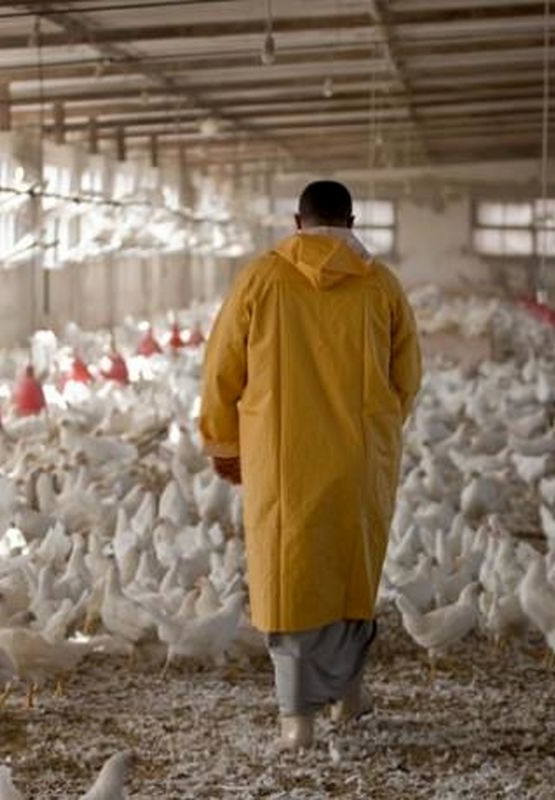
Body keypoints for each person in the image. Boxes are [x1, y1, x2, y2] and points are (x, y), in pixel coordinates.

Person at [199, 180, 422, 749]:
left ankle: (295, 718)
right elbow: (406, 377)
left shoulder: (262, 277)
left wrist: (224, 444)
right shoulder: (380, 284)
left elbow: (222, 368)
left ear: (298, 222)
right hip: (358, 457)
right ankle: (348, 696)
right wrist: (377, 432)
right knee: (351, 569)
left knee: (290, 573)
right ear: (352, 221)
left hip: (282, 458)